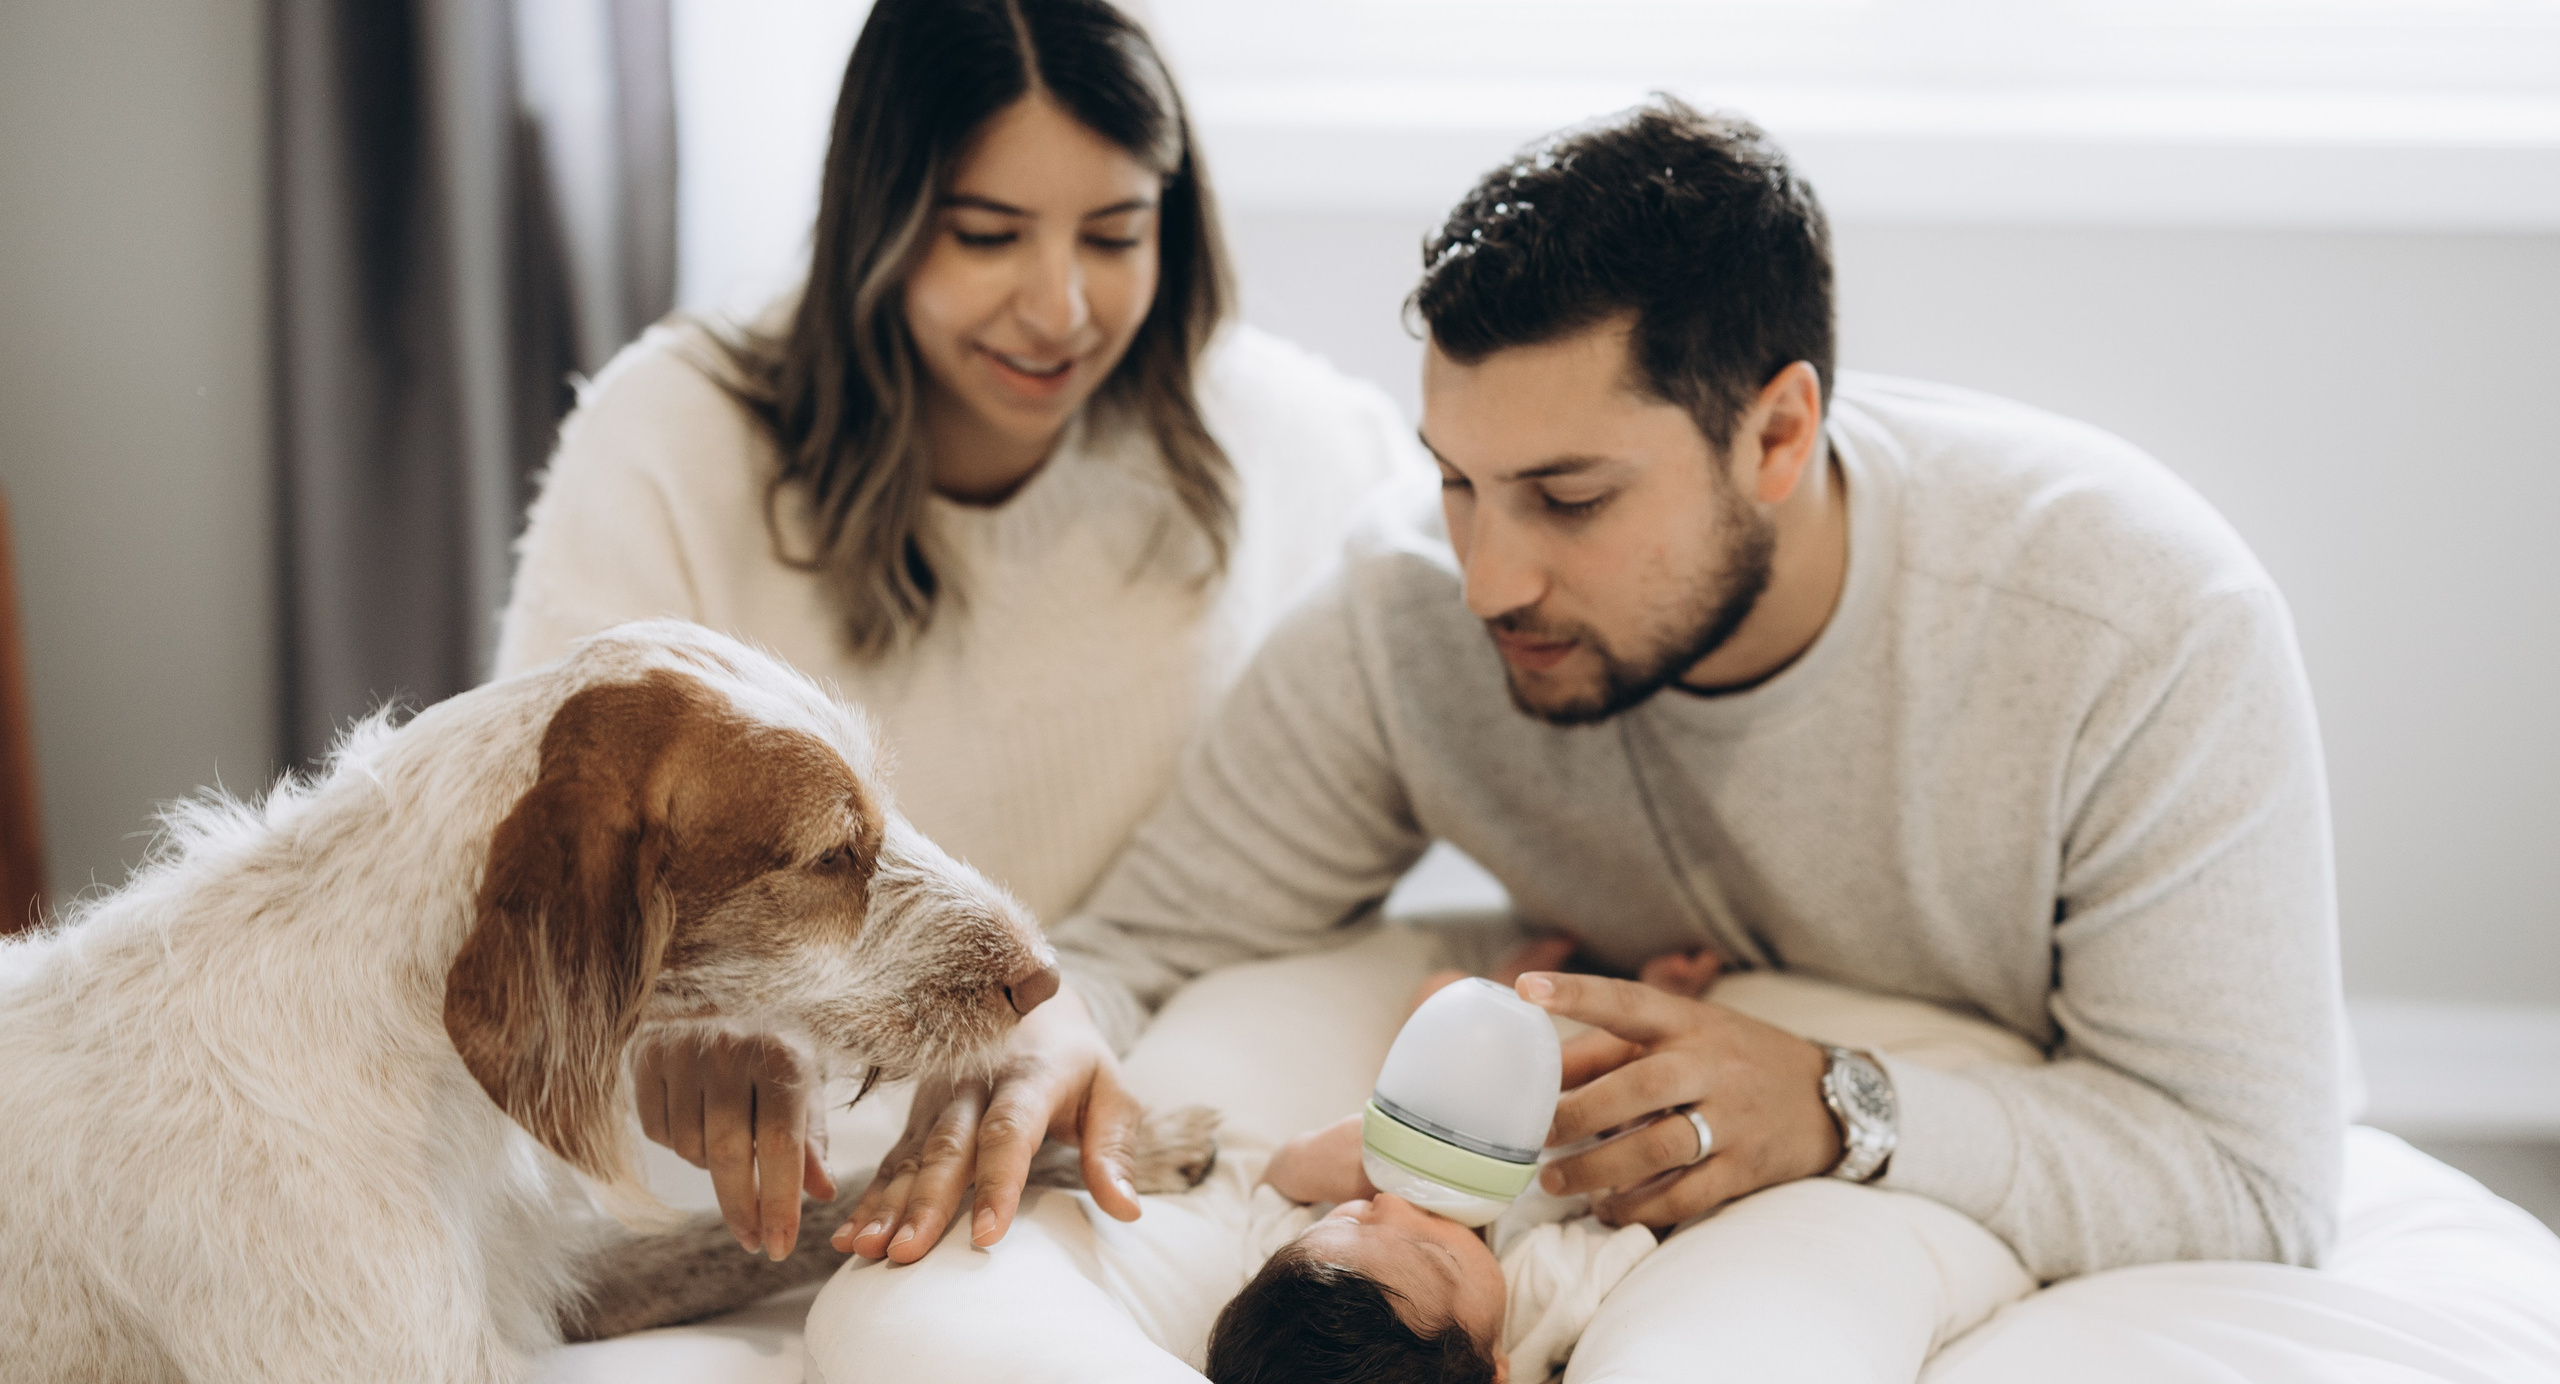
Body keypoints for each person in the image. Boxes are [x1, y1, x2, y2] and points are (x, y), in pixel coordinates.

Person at [845, 96, 2351, 1284]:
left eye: (1568, 497)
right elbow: (1149, 941)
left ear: (1777, 434)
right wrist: (1041, 1026)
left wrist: (1841, 1104)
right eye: (1457, 483)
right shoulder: (1405, 613)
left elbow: (2255, 1177)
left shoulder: (2130, 627)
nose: (1491, 576)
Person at [495, 0, 1423, 1259]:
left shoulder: (1291, 443)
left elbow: (1461, 679)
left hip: (1129, 1104)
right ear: (878, 218)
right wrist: (691, 1011)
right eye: (986, 234)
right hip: (772, 1167)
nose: (1061, 307)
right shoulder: (670, 440)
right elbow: (549, 840)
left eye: (1116, 234)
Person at [1208, 1114, 1657, 1384]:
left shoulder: (1292, 1278)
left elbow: (1276, 1191)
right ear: (1492, 1382)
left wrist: (1303, 1158)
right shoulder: (1544, 1290)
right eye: (1436, 1255)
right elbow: (1644, 1215)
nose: (1393, 1201)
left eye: (1354, 1221)